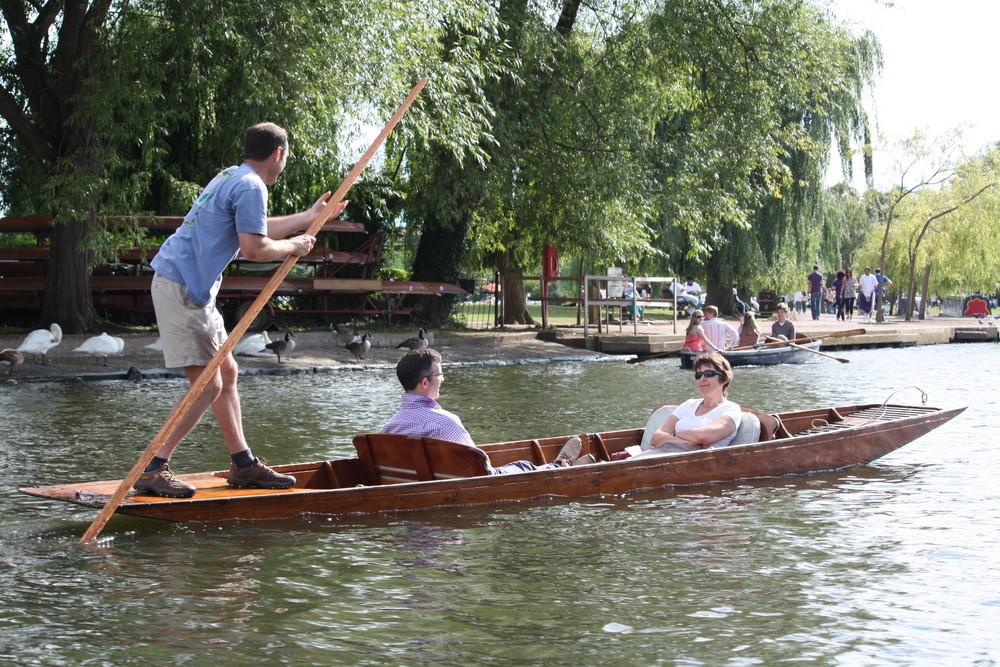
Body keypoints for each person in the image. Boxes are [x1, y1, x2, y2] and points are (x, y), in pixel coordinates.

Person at [137, 122, 346, 498]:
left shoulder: (232, 176)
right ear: (278, 154)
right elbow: (255, 250)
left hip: (188, 288)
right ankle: (154, 468)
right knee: (209, 386)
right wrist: (294, 247)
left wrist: (309, 217)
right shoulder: (252, 186)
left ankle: (244, 465)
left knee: (227, 373)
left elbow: (256, 229)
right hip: (181, 288)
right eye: (287, 157)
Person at [384, 349, 591, 472]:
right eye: (440, 375)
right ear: (424, 383)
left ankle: (561, 464)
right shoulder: (445, 423)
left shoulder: (390, 428)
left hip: (432, 482)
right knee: (524, 466)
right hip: (474, 484)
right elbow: (482, 466)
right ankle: (561, 466)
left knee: (520, 465)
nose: (443, 379)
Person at [640, 352, 742, 454]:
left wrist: (673, 435)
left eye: (709, 374)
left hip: (694, 463)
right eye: (699, 375)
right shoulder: (689, 404)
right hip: (663, 454)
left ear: (724, 379)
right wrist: (687, 442)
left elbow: (704, 436)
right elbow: (656, 437)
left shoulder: (731, 409)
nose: (702, 379)